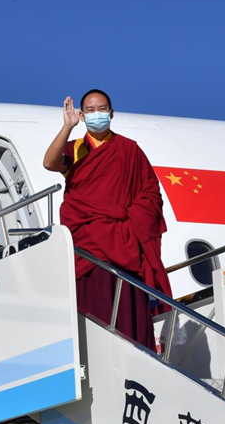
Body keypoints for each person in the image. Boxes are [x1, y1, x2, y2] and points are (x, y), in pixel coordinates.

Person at [43, 90, 172, 350]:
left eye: (102, 109)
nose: (97, 114)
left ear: (111, 113)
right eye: (90, 110)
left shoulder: (129, 150)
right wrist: (67, 127)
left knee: (127, 308)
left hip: (123, 242)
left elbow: (150, 193)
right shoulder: (77, 149)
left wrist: (131, 220)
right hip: (87, 244)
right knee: (93, 305)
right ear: (82, 115)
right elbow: (50, 163)